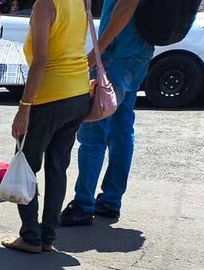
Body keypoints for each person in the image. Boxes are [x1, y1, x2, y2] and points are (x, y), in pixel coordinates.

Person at [2, 0, 90, 253]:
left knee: (26, 165)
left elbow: (41, 60)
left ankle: (31, 236)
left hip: (49, 96)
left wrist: (24, 107)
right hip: (78, 94)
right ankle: (48, 236)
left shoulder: (45, 4)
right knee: (57, 167)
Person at [60, 0, 150, 226]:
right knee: (122, 126)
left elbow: (126, 6)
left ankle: (83, 204)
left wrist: (98, 51)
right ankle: (111, 200)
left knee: (93, 129)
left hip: (117, 53)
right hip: (138, 51)